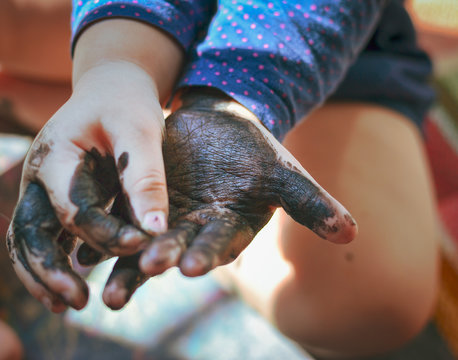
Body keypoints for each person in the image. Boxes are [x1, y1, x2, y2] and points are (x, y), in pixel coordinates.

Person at [5, 0, 440, 359]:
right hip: (103, 18)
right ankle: (115, 105)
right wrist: (115, 64)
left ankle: (139, 114)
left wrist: (233, 94)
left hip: (307, 37)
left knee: (366, 302)